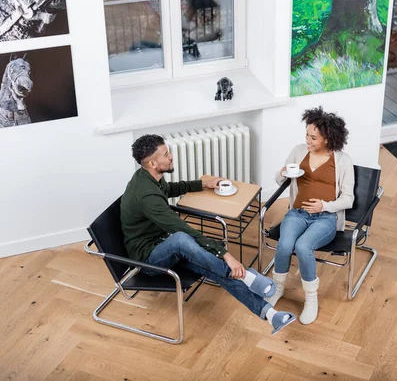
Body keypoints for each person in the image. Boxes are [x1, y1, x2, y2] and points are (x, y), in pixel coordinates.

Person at [121, 134, 295, 334]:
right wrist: (227, 255)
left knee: (216, 267)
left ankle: (271, 315)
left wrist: (204, 184)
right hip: (149, 259)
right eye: (166, 154)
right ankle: (245, 275)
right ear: (152, 162)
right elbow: (181, 229)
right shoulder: (146, 195)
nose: (171, 156)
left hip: (164, 244)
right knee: (183, 239)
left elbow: (170, 189)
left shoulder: (151, 178)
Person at [267, 107, 355, 325]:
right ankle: (277, 288)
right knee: (286, 245)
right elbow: (280, 181)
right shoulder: (299, 151)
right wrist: (282, 172)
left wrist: (324, 205)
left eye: (313, 137)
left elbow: (349, 199)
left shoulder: (343, 161)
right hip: (297, 213)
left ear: (327, 138)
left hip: (325, 218)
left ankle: (311, 298)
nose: (307, 140)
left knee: (303, 246)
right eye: (306, 135)